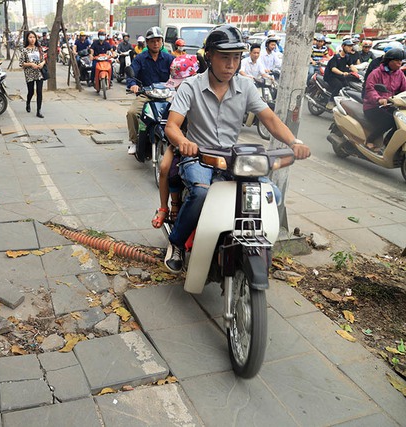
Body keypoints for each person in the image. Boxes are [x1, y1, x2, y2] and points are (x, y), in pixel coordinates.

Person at [162, 25, 311, 272]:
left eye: (236, 57)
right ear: (209, 56)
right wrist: (184, 142)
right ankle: (176, 242)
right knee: (200, 193)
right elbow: (172, 126)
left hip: (232, 158)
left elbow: (270, 120)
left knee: (272, 194)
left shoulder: (246, 86)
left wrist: (294, 142)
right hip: (199, 157)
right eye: (224, 57)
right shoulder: (190, 86)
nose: (231, 64)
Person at [152, 54, 199, 229]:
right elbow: (169, 126)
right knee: (166, 168)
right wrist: (180, 141)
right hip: (179, 143)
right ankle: (168, 205)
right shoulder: (176, 99)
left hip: (206, 144)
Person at [126, 27, 175, 155]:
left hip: (165, 95)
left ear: (162, 42)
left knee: (182, 113)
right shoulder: (140, 58)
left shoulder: (169, 58)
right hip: (146, 95)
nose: (156, 44)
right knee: (132, 113)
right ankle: (134, 141)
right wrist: (133, 85)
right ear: (147, 43)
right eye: (152, 41)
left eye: (158, 40)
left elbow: (179, 72)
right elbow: (131, 74)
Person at [363, 48, 406, 151]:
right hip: (373, 106)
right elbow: (370, 89)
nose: (399, 63)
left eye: (401, 61)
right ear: (389, 61)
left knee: (401, 121)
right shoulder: (376, 73)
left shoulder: (399, 74)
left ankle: (387, 143)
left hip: (390, 105)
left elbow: (404, 88)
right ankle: (370, 140)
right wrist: (379, 99)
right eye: (397, 61)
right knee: (390, 121)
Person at [324, 39, 358, 110]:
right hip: (331, 76)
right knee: (339, 85)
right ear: (343, 46)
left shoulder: (347, 57)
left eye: (351, 46)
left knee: (347, 87)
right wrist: (342, 73)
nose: (350, 48)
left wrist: (356, 72)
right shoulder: (336, 57)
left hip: (340, 76)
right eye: (348, 46)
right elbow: (333, 69)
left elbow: (351, 66)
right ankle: (331, 101)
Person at [19, 31, 46, 118]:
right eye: (30, 37)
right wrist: (30, 64)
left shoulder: (39, 48)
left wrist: (42, 64)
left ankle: (39, 111)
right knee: (31, 91)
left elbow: (44, 59)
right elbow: (21, 63)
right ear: (27, 38)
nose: (32, 39)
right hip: (29, 73)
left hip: (39, 73)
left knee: (39, 92)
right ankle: (28, 102)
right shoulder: (24, 50)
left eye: (34, 37)